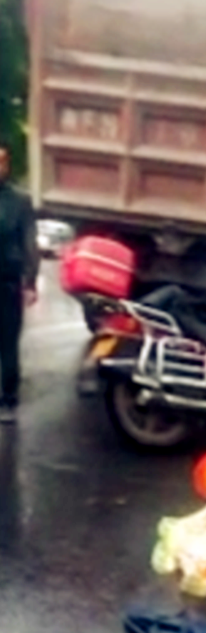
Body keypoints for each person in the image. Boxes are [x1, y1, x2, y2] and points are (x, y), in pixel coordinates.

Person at [0, 141, 40, 424]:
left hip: (7, 281)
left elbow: (30, 243)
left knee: (8, 342)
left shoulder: (19, 201)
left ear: (7, 166)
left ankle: (8, 399)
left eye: (1, 161)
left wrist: (31, 282)